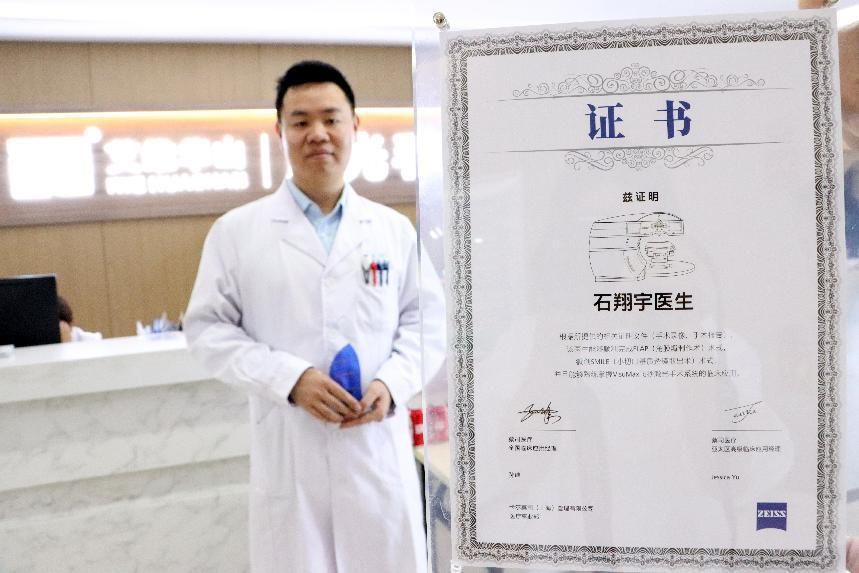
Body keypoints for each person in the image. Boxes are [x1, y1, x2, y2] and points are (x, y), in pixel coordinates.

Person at [183, 61, 443, 573]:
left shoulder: (392, 230)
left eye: (331, 118)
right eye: (300, 122)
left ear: (355, 126)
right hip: (291, 455)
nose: (317, 133)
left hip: (375, 453)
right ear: (280, 131)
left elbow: (428, 323)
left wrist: (392, 383)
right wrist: (290, 378)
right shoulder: (237, 232)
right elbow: (208, 329)